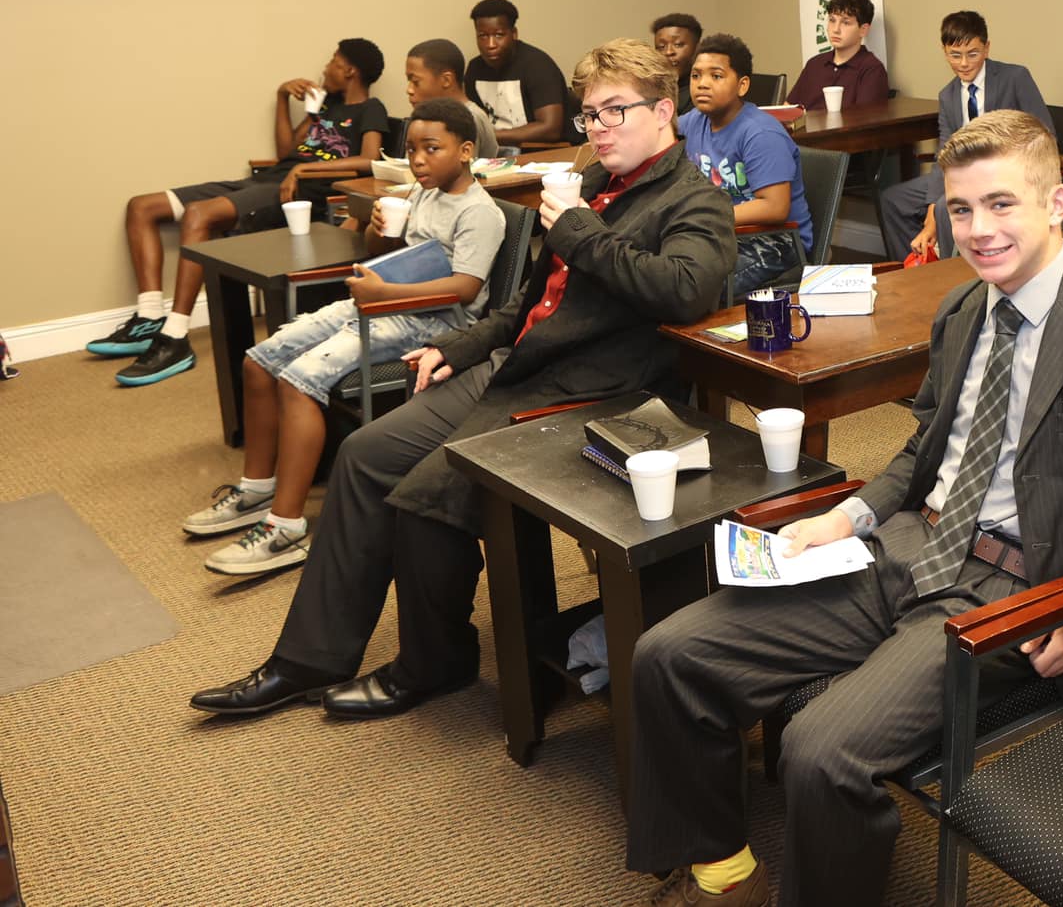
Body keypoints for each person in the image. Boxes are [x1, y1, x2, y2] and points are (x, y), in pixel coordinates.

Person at [625, 111, 1063, 907]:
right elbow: (921, 451)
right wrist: (848, 518)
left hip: (1015, 588)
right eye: (962, 209)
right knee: (670, 653)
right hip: (909, 544)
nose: (979, 230)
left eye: (1001, 204)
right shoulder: (962, 310)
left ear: (1057, 203)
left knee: (821, 750)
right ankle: (724, 867)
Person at [190, 39, 736, 720]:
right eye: (590, 115)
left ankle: (434, 662)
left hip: (592, 394)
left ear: (662, 111)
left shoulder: (694, 200)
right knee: (363, 455)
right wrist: (460, 344)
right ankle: (306, 660)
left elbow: (684, 290)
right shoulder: (595, 182)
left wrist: (577, 231)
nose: (598, 129)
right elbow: (529, 304)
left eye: (614, 112)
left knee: (426, 500)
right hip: (520, 367)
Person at [184, 100, 505, 577]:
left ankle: (285, 528)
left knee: (298, 380)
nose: (418, 160)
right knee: (259, 360)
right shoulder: (422, 193)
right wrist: (379, 233)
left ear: (465, 151)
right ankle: (256, 489)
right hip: (386, 302)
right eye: (411, 150)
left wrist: (384, 293)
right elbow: (385, 253)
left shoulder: (480, 212)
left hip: (435, 323)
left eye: (431, 149)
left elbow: (466, 288)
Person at [90, 40, 390, 388]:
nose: (325, 67)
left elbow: (370, 160)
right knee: (141, 206)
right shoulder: (326, 106)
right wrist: (283, 98)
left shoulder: (371, 108)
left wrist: (303, 171)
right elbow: (287, 152)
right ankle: (149, 317)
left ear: (350, 70)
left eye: (333, 61)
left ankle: (175, 336)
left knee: (198, 215)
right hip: (269, 180)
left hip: (296, 192)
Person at [878, 10, 1051, 261]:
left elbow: (1044, 133)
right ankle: (917, 268)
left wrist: (935, 210)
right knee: (894, 200)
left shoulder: (1014, 78)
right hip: (962, 171)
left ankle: (954, 270)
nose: (964, 63)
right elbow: (945, 152)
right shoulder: (948, 95)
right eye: (955, 55)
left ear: (987, 48)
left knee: (944, 207)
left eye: (973, 54)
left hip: (1005, 170)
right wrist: (930, 209)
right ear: (944, 51)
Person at [680, 34, 813, 294]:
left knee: (695, 285)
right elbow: (656, 134)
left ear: (742, 86)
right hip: (724, 231)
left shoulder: (760, 133)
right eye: (696, 76)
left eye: (716, 76)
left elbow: (775, 208)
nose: (702, 84)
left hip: (778, 240)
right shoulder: (695, 120)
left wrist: (706, 217)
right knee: (662, 269)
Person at [464, 0, 568, 147]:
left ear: (514, 33)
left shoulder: (537, 65)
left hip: (540, 152)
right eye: (483, 36)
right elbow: (477, 122)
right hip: (495, 153)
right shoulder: (475, 68)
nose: (490, 44)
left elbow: (550, 129)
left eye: (499, 35)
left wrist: (488, 136)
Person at [395, 38, 500, 160]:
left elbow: (460, 169)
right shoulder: (424, 119)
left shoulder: (470, 119)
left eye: (415, 81)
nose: (409, 90)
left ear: (446, 80)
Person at [788, 0, 890, 113]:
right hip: (803, 125)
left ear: (863, 30)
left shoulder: (872, 70)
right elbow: (788, 108)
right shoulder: (814, 64)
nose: (835, 29)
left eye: (845, 23)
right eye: (832, 20)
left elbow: (865, 120)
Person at [651, 13, 704, 80]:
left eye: (678, 44)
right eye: (662, 47)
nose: (668, 52)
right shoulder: (650, 85)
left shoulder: (707, 85)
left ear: (697, 48)